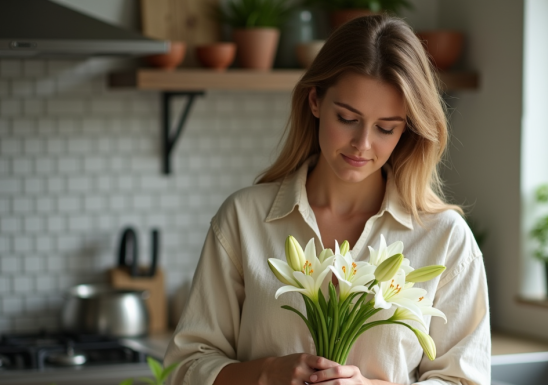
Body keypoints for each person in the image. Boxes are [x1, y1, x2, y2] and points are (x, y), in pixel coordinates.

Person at [164, 14, 490, 385]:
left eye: (386, 128)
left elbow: (464, 381)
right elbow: (183, 368)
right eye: (347, 118)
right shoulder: (243, 219)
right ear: (315, 100)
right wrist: (266, 373)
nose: (362, 144)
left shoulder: (446, 240)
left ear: (408, 130)